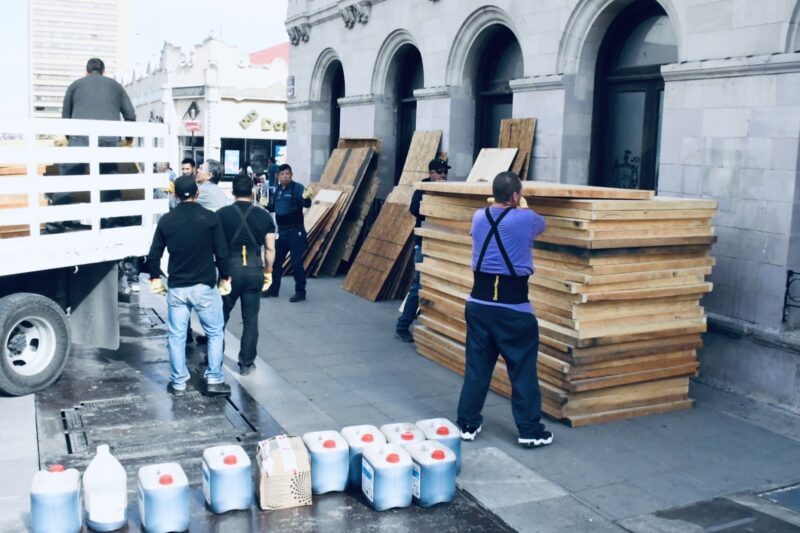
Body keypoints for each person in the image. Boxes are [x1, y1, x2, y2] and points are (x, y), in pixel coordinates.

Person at [456, 171, 552, 449]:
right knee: (522, 371)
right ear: (515, 196)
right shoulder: (527, 218)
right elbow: (542, 225)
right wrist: (522, 206)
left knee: (477, 367)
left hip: (478, 303)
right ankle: (530, 430)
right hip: (514, 307)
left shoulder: (478, 216)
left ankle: (467, 424)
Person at [146, 175, 232, 397]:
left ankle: (178, 384)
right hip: (204, 286)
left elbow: (153, 255)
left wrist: (155, 278)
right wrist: (225, 276)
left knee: (176, 336)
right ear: (198, 194)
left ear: (175, 196)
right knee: (214, 332)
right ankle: (214, 380)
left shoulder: (166, 220)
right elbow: (222, 253)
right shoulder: (210, 218)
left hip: (177, 288)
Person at [217, 177, 276, 375]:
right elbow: (269, 249)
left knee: (220, 318)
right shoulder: (264, 216)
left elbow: (215, 246)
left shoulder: (222, 215)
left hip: (230, 271)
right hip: (253, 270)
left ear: (233, 192)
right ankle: (246, 363)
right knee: (251, 318)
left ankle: (215, 359)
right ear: (252, 193)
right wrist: (268, 272)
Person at [59, 57, 136, 198]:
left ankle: (59, 218)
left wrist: (71, 139)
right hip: (109, 138)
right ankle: (113, 217)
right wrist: (128, 139)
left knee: (69, 176)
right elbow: (130, 115)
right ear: (103, 71)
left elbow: (65, 117)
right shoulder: (116, 86)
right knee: (109, 177)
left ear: (86, 72)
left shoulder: (75, 85)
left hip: (80, 136)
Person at [395, 157, 450, 343]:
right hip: (424, 242)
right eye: (440, 172)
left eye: (445, 172)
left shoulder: (447, 189)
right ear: (431, 173)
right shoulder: (423, 187)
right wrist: (433, 202)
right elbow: (414, 209)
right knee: (418, 285)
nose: (443, 175)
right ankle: (402, 326)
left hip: (442, 243)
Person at [264, 164, 312, 302]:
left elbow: (306, 204)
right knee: (276, 261)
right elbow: (274, 207)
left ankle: (300, 292)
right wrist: (266, 205)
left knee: (296, 263)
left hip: (295, 232)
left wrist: (307, 198)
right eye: (282, 174)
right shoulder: (278, 189)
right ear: (278, 176)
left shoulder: (297, 188)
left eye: (287, 174)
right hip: (282, 232)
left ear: (291, 175)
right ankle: (273, 289)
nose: (285, 176)